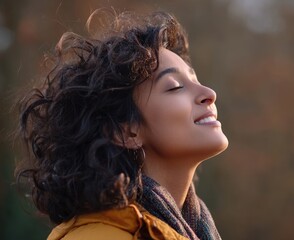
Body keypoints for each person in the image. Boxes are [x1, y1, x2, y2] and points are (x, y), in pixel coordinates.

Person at [16, 9, 228, 240]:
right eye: (175, 86)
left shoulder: (196, 230)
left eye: (195, 79)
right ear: (126, 131)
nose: (209, 93)